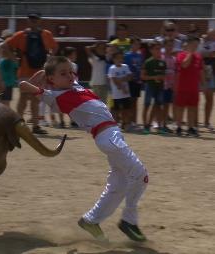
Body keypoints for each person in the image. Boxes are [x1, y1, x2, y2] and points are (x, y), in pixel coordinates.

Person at [19, 56, 148, 242]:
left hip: (112, 135)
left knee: (118, 185)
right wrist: (40, 78)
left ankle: (91, 220)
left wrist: (48, 72)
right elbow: (26, 86)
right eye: (63, 74)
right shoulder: (57, 96)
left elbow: (65, 73)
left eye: (70, 71)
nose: (70, 75)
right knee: (141, 176)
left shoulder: (75, 85)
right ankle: (129, 220)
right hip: (108, 137)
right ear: (51, 80)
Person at [2, 13, 58, 134]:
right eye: (32, 19)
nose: (33, 21)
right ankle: (30, 126)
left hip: (30, 71)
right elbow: (55, 47)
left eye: (34, 19)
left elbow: (5, 45)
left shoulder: (22, 34)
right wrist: (50, 58)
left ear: (38, 20)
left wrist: (13, 58)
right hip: (35, 71)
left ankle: (20, 125)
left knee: (30, 99)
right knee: (32, 99)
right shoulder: (45, 34)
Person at [174, 36, 204, 136]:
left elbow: (200, 71)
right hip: (182, 87)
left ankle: (190, 127)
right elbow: (184, 65)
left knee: (192, 107)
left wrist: (203, 84)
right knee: (180, 107)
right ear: (188, 44)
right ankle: (178, 127)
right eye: (194, 44)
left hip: (194, 87)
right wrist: (190, 53)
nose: (196, 47)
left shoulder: (199, 56)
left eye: (197, 45)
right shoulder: (181, 55)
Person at [141, 40, 167, 135]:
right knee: (147, 105)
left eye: (160, 49)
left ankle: (159, 126)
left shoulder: (162, 62)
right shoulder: (147, 62)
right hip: (149, 86)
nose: (159, 51)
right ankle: (145, 126)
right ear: (151, 50)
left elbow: (164, 75)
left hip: (159, 87)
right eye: (156, 49)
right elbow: (142, 76)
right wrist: (153, 77)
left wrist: (162, 78)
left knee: (158, 106)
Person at [108, 51, 132, 129]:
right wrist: (123, 88)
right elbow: (114, 81)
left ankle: (125, 123)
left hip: (126, 93)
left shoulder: (125, 66)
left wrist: (120, 79)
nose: (120, 59)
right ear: (114, 59)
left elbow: (129, 77)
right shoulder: (112, 68)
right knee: (116, 110)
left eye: (121, 58)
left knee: (126, 109)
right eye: (118, 58)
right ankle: (114, 124)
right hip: (116, 94)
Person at [124, 36, 143, 126]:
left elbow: (141, 67)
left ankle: (134, 121)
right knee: (129, 101)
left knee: (135, 101)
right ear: (131, 44)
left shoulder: (140, 55)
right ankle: (128, 121)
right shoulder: (127, 55)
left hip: (137, 81)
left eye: (138, 44)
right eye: (135, 43)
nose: (137, 45)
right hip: (130, 81)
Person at [199, 29, 215, 131]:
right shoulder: (201, 42)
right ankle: (201, 122)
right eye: (211, 34)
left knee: (209, 99)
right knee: (205, 99)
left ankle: (206, 122)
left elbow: (212, 54)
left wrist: (205, 55)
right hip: (203, 73)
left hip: (211, 73)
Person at [162, 37, 177, 131]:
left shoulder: (174, 59)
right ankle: (160, 123)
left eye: (172, 45)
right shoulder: (161, 57)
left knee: (167, 105)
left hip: (170, 85)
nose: (170, 47)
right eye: (168, 45)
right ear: (164, 46)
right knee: (162, 105)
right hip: (162, 85)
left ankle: (164, 124)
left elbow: (175, 72)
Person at [0, 41, 18, 106]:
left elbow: (16, 63)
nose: (3, 50)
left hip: (8, 84)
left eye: (5, 48)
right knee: (2, 101)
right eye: (2, 49)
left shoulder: (12, 60)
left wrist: (7, 50)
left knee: (5, 102)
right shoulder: (0, 61)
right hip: (2, 84)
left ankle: (6, 115)